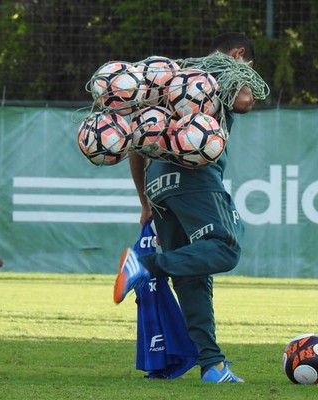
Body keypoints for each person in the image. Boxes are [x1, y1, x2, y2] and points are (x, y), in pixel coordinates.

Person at [114, 32, 262, 384]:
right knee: (226, 246)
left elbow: (138, 141)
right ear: (240, 53)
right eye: (249, 66)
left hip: (159, 185)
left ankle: (212, 366)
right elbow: (243, 102)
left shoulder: (174, 80)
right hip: (195, 178)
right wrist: (241, 76)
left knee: (192, 274)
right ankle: (142, 265)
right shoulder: (218, 76)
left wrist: (145, 200)